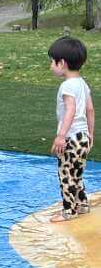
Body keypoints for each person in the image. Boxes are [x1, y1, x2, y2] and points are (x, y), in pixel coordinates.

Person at [48, 37, 94, 222]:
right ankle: (82, 204)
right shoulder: (82, 84)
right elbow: (90, 110)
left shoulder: (67, 86)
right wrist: (91, 135)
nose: (51, 66)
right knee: (77, 172)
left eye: (52, 61)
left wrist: (60, 136)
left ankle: (69, 211)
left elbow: (71, 110)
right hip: (82, 137)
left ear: (63, 63)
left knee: (66, 174)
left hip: (71, 137)